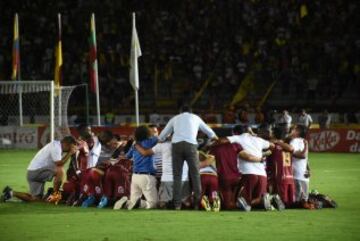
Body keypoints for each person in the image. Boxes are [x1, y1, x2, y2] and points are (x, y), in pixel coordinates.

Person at [158, 105, 218, 210]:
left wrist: (162, 139)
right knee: (195, 175)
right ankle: (197, 204)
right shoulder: (196, 118)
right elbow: (211, 134)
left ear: (180, 112)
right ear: (191, 112)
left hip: (176, 146)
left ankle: (177, 205)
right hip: (191, 146)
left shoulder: (175, 118)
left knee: (177, 176)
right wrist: (214, 139)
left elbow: (162, 136)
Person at [2, 136, 77, 204]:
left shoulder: (56, 145)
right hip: (36, 172)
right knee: (60, 171)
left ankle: (11, 193)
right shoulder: (56, 147)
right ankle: (55, 195)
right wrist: (70, 153)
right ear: (66, 143)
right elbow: (59, 164)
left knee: (36, 200)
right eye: (70, 147)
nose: (70, 149)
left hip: (32, 173)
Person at [126, 135, 190, 209]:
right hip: (182, 179)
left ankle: (129, 203)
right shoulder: (188, 146)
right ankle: (175, 205)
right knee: (183, 204)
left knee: (161, 204)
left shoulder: (163, 145)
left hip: (167, 179)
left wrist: (136, 145)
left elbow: (145, 153)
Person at [117, 125, 158, 210]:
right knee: (153, 203)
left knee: (133, 201)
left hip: (135, 176)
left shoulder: (134, 145)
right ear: (147, 133)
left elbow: (127, 156)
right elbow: (160, 138)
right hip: (147, 176)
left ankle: (126, 203)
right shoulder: (150, 141)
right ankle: (138, 203)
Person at [266, 127, 295, 208]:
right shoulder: (285, 145)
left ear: (274, 134)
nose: (270, 134)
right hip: (288, 175)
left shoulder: (273, 145)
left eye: (271, 132)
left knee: (278, 198)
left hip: (278, 175)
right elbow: (291, 149)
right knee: (287, 201)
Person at [289, 125, 312, 208]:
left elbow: (303, 156)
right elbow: (305, 157)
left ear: (298, 132)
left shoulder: (294, 141)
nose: (291, 130)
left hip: (297, 173)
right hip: (302, 173)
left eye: (294, 129)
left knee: (297, 200)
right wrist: (309, 169)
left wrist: (308, 169)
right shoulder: (304, 141)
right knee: (303, 199)